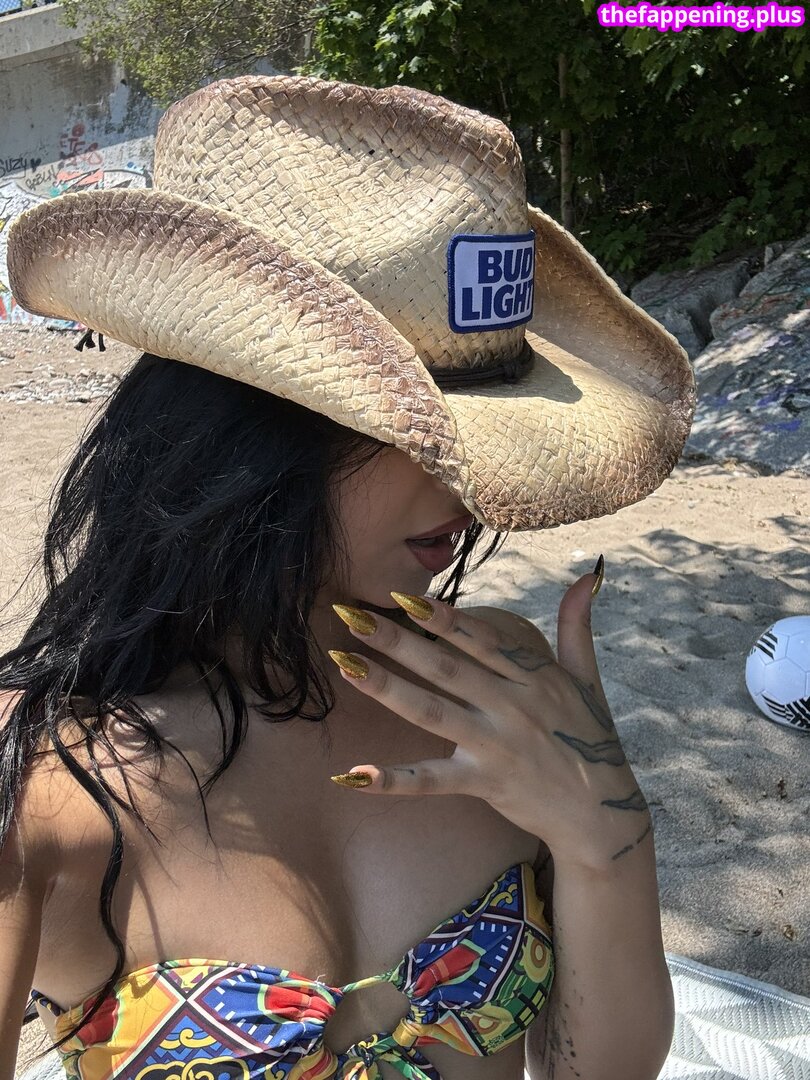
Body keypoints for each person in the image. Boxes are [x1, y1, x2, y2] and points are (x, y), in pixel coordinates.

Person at [0, 75, 695, 1080]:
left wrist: (606, 842)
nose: (474, 484)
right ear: (249, 433)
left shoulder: (498, 686)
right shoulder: (50, 781)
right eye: (420, 432)